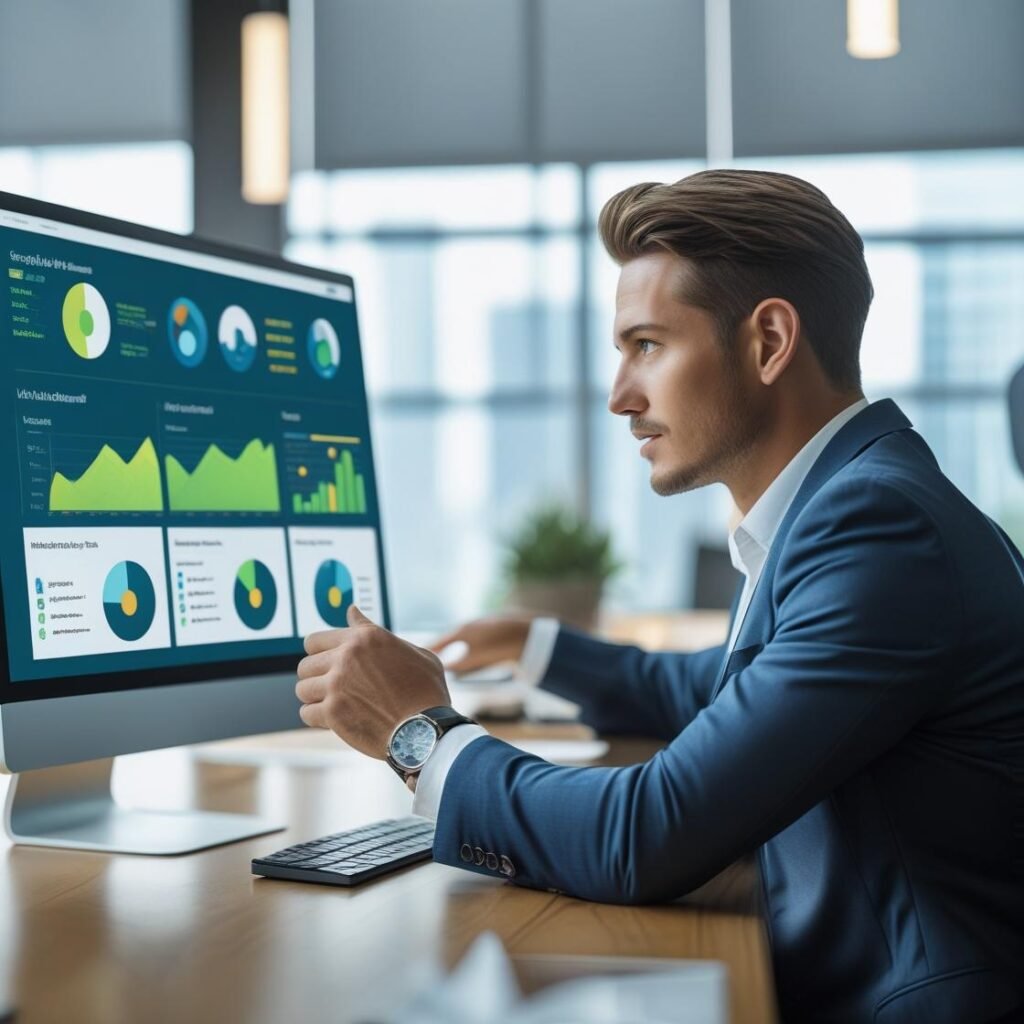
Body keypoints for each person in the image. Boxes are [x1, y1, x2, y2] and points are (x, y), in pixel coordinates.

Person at [295, 170, 1024, 1024]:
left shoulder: (876, 527)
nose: (620, 396)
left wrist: (422, 735)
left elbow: (647, 834)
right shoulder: (855, 497)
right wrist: (541, 644)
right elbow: (715, 690)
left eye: (647, 346)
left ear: (769, 341)